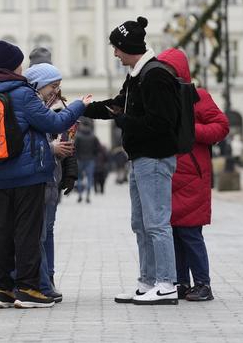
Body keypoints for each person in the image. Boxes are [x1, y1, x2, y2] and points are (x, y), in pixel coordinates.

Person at [0, 39, 91, 309]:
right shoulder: (23, 94)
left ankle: (3, 291)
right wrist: (79, 105)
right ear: (14, 65)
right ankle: (29, 289)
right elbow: (54, 121)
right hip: (28, 175)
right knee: (28, 233)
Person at [84, 17, 180, 305]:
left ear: (127, 47)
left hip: (155, 157)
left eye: (116, 48)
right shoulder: (137, 76)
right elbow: (117, 106)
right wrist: (83, 108)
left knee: (157, 223)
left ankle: (166, 283)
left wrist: (125, 120)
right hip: (140, 159)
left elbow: (162, 122)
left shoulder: (155, 76)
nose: (114, 54)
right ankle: (147, 282)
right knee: (140, 223)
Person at [157, 48, 229, 301]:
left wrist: (190, 129)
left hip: (192, 177)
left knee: (190, 234)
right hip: (169, 174)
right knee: (173, 234)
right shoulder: (161, 98)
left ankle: (203, 284)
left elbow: (221, 127)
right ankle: (181, 283)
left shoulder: (198, 97)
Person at [24, 60, 79, 303]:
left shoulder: (56, 105)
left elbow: (66, 140)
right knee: (39, 233)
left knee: (47, 231)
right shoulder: (32, 105)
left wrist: (70, 169)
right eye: (52, 86)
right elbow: (27, 143)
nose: (56, 91)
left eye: (58, 86)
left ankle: (48, 278)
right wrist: (51, 148)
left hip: (51, 177)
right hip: (38, 177)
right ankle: (41, 282)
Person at [74, 120, 99, 203]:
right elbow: (97, 148)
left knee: (80, 178)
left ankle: (80, 195)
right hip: (90, 159)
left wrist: (76, 157)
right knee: (89, 178)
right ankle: (88, 195)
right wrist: (93, 156)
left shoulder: (78, 136)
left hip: (80, 160)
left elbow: (75, 148)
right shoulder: (93, 136)